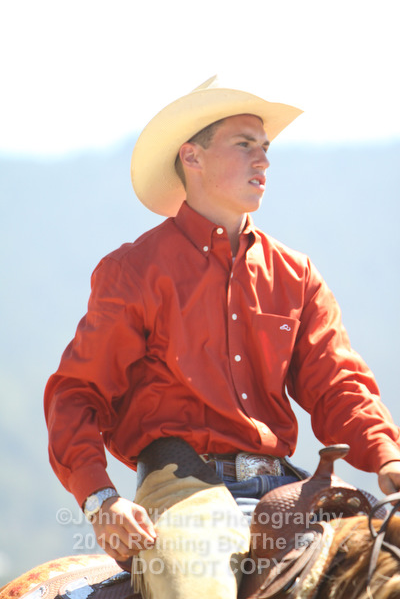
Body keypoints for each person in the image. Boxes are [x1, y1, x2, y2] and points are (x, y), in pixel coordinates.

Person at [44, 76, 400, 597]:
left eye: (266, 148)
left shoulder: (296, 275)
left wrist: (387, 455)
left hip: (293, 486)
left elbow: (337, 385)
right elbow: (77, 393)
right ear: (192, 156)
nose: (264, 161)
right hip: (180, 489)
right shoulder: (135, 271)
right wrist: (100, 498)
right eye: (245, 144)